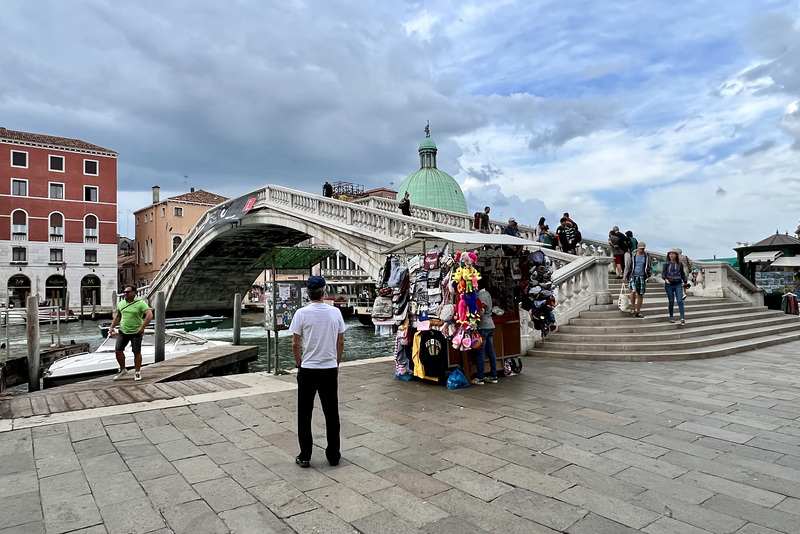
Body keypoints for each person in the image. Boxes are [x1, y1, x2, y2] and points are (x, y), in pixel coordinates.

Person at [291, 276, 346, 468]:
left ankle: (305, 456)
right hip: (329, 368)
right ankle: (333, 456)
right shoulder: (335, 313)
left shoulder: (301, 314)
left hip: (308, 369)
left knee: (304, 414)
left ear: (308, 293)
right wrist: (336, 362)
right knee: (332, 414)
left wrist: (299, 363)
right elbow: (340, 341)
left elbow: (295, 343)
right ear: (324, 291)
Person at [108, 285, 153, 381]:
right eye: (124, 292)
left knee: (136, 352)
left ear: (135, 293)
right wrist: (112, 326)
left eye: (127, 292)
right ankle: (123, 369)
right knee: (118, 350)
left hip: (136, 331)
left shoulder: (141, 304)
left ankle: (137, 372)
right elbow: (118, 316)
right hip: (123, 330)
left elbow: (149, 315)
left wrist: (142, 327)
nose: (125, 294)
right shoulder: (121, 303)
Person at [472, 278, 498, 385]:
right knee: (490, 351)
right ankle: (493, 375)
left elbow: (480, 313)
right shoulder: (487, 294)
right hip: (490, 325)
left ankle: (480, 377)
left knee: (481, 352)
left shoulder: (481, 297)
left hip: (483, 327)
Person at [623, 242, 652, 318]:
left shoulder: (647, 256)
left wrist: (649, 275)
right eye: (640, 248)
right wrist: (624, 276)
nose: (642, 250)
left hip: (642, 276)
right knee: (633, 290)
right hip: (633, 275)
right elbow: (627, 266)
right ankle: (633, 307)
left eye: (643, 249)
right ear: (637, 248)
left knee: (640, 294)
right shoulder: (632, 255)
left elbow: (649, 266)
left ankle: (638, 311)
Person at [663, 249, 687, 325]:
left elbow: (683, 274)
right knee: (671, 301)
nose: (671, 255)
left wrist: (685, 281)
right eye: (670, 254)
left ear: (676, 255)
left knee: (680, 300)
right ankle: (671, 316)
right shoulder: (666, 264)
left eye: (673, 254)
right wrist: (666, 279)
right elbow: (663, 274)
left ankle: (682, 318)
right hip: (669, 284)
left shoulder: (680, 264)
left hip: (678, 283)